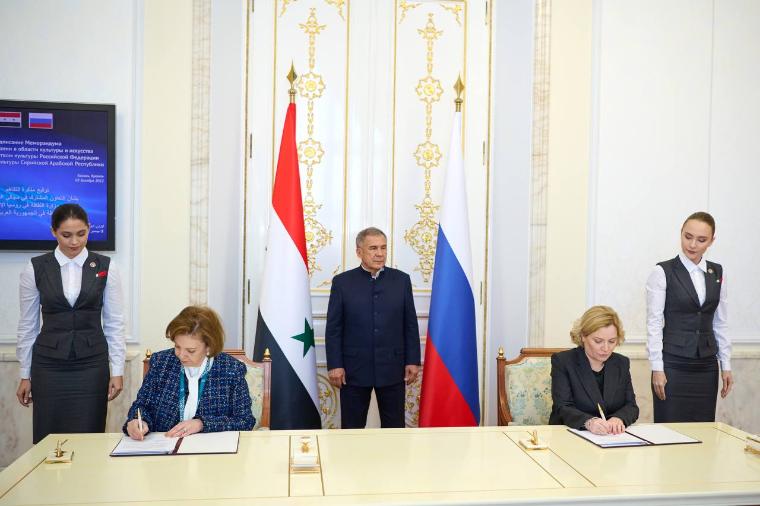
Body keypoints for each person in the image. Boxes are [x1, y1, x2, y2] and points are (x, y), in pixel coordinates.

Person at [15, 204, 125, 443]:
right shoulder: (35, 268)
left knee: (89, 438)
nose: (74, 242)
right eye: (66, 235)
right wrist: (25, 374)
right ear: (53, 232)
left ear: (89, 229)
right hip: (48, 367)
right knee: (48, 438)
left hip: (91, 366)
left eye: (81, 234)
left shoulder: (106, 267)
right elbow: (27, 325)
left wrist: (117, 370)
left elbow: (115, 323)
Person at [325, 227, 421, 428]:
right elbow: (334, 328)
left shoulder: (402, 280)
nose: (380, 253)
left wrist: (413, 360)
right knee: (352, 429)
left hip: (393, 368)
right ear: (359, 252)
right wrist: (335, 365)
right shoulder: (342, 282)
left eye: (383, 248)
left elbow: (410, 324)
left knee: (394, 429)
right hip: (353, 370)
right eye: (373, 248)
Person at [647, 211, 732, 422]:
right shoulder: (663, 271)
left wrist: (726, 365)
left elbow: (720, 322)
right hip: (672, 364)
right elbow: (654, 323)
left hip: (706, 366)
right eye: (688, 236)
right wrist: (657, 368)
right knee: (669, 430)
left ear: (711, 241)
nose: (692, 245)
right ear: (681, 233)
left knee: (703, 431)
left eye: (701, 240)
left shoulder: (718, 273)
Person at [124, 305, 254, 439]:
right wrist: (138, 421)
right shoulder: (161, 363)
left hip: (210, 449)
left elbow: (245, 421)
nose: (181, 355)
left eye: (190, 351)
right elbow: (141, 406)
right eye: (177, 347)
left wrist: (202, 424)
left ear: (209, 346)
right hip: (164, 445)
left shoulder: (231, 370)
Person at [549, 305, 639, 435]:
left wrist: (618, 418)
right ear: (583, 336)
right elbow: (562, 407)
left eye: (612, 341)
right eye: (598, 341)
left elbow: (631, 406)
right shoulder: (563, 361)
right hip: (569, 435)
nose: (606, 348)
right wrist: (589, 422)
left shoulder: (621, 363)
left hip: (610, 438)